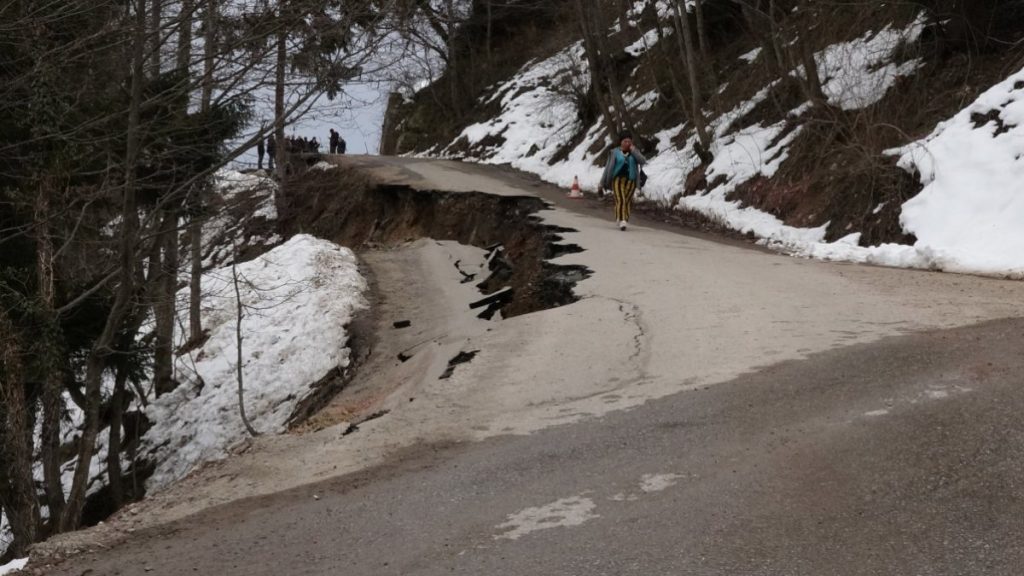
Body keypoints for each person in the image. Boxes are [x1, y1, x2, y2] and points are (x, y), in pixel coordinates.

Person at [601, 131, 646, 231]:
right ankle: (622, 220)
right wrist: (602, 182)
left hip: (631, 180)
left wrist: (634, 151)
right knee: (621, 199)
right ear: (621, 142)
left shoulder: (634, 151)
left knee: (626, 201)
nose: (627, 143)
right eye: (625, 141)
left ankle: (622, 217)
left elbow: (643, 161)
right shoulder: (614, 152)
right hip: (617, 179)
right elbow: (608, 168)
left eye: (629, 141)